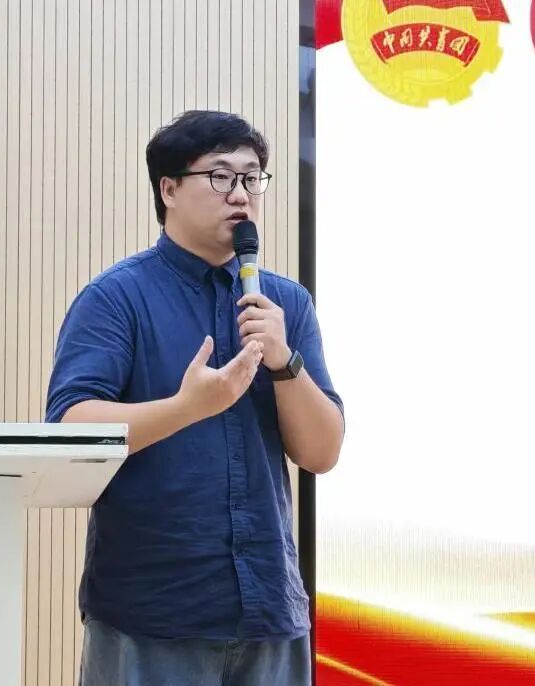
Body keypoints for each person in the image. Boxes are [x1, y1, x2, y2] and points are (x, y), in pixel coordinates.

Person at [45, 109, 346, 686]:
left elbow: (322, 452)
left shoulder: (285, 304)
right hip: (153, 610)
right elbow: (72, 427)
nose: (241, 194)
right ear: (168, 189)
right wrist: (187, 408)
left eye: (252, 177)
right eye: (220, 176)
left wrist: (284, 361)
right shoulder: (116, 297)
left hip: (268, 609)